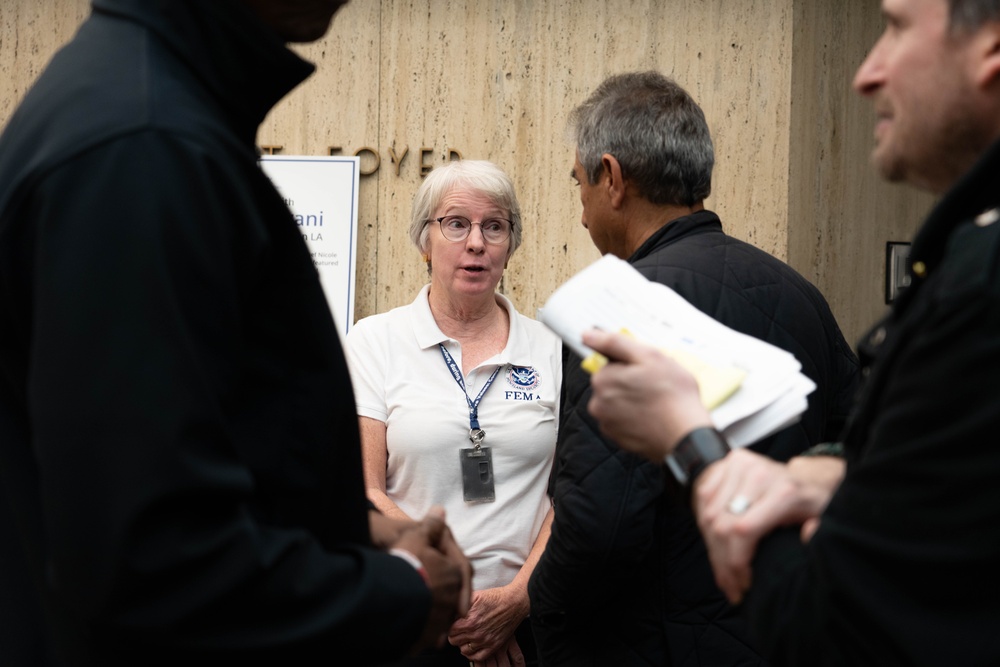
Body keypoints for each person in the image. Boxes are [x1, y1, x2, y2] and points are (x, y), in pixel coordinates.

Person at [0, 0, 473, 665]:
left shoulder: (156, 117)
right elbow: (151, 557)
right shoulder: (144, 148)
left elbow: (208, 459)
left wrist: (356, 541)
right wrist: (404, 591)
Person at [581, 0, 1000, 664]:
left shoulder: (980, 282)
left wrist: (690, 438)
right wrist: (826, 474)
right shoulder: (809, 286)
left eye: (894, 26)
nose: (866, 72)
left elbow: (844, 615)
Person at [526, 71, 859, 666]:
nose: (580, 214)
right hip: (783, 629)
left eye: (578, 186)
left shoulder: (611, 314)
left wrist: (544, 618)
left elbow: (599, 525)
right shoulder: (802, 295)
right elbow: (853, 453)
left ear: (613, 178)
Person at [346, 159, 560, 667]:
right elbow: (365, 490)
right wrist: (464, 607)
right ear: (425, 240)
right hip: (413, 616)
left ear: (511, 246)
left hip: (529, 623)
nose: (476, 243)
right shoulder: (375, 341)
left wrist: (515, 601)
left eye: (495, 226)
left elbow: (571, 496)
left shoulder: (551, 349)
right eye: (456, 223)